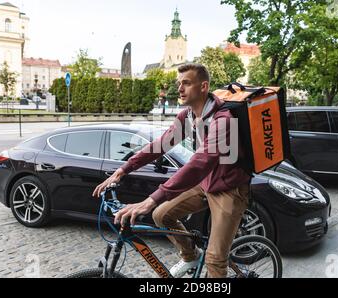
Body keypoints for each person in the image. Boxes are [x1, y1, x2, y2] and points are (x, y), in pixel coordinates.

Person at [93, 63, 251, 278]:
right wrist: (123, 169)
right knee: (161, 215)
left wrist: (151, 199)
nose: (179, 88)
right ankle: (191, 256)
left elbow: (200, 163)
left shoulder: (223, 120)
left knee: (215, 259)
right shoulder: (187, 117)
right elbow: (160, 145)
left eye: (186, 83)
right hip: (206, 183)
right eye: (179, 83)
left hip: (229, 188)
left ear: (203, 86)